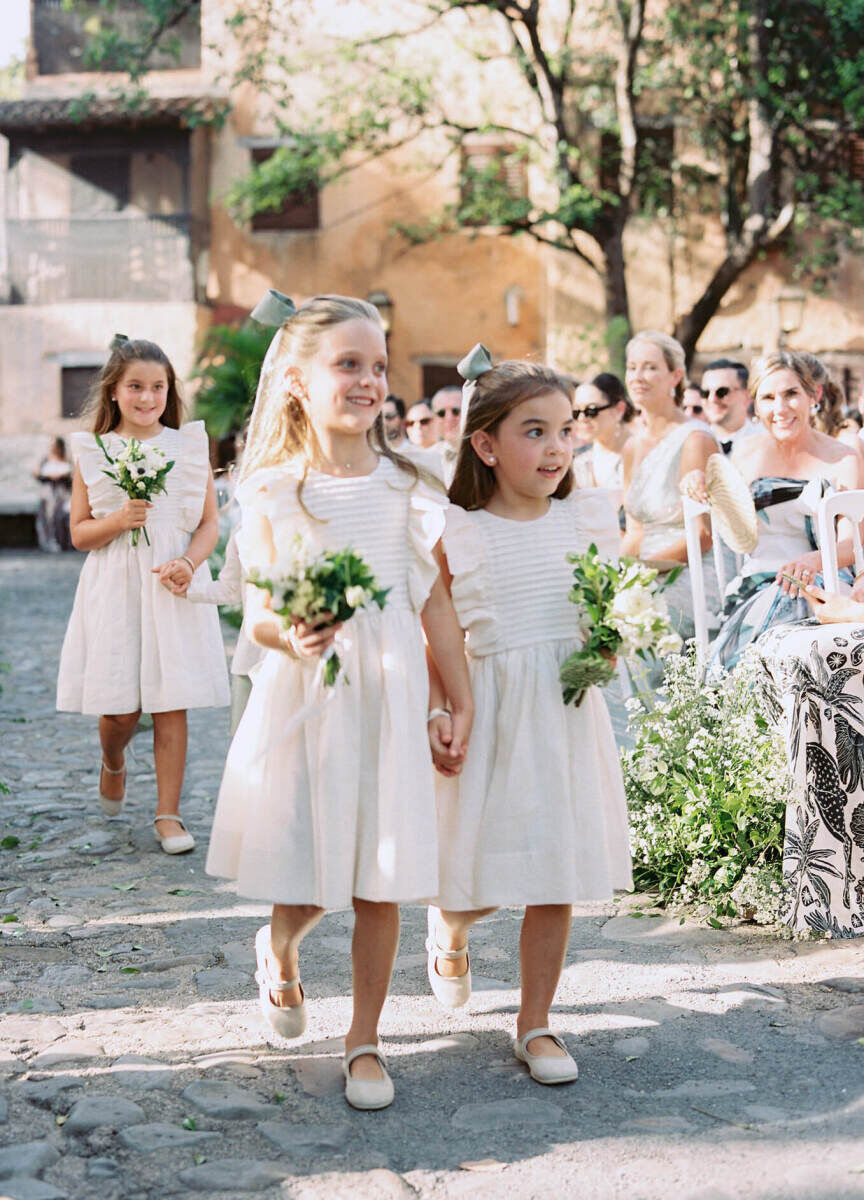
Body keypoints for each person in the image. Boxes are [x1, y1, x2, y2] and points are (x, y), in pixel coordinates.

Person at [206, 292, 472, 1112]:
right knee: (309, 885)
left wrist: (452, 699)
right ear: (296, 381)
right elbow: (256, 612)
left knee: (382, 878)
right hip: (312, 693)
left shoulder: (409, 482)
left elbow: (433, 603)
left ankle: (365, 1039)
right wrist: (294, 633)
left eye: (378, 366)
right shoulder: (276, 489)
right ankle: (278, 950)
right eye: (347, 364)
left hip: (392, 692)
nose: (368, 382)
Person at [424, 348, 632, 1087]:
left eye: (565, 430)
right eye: (534, 432)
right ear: (485, 444)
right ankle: (449, 929)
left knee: (554, 871)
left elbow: (607, 609)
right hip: (492, 706)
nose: (555, 448)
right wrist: (441, 708)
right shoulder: (460, 529)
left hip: (566, 710)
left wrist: (608, 643)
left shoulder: (586, 518)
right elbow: (436, 626)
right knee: (474, 877)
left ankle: (536, 1022)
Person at [56, 335, 230, 854]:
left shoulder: (188, 447)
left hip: (168, 584)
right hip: (113, 588)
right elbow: (79, 534)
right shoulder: (92, 450)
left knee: (170, 700)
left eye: (158, 387)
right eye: (136, 386)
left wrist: (188, 562)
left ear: (169, 391)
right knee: (121, 710)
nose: (148, 397)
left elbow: (208, 524)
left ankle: (168, 814)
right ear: (114, 391)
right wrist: (117, 519)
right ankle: (113, 759)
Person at [703, 351, 863, 669]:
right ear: (754, 405)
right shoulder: (744, 455)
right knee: (777, 605)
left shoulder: (844, 457)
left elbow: (851, 544)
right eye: (768, 397)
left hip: (825, 579)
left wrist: (812, 562)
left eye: (791, 394)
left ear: (812, 396)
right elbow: (725, 525)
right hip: (760, 582)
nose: (780, 408)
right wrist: (698, 481)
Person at [622, 330, 718, 637]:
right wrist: (616, 576)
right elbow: (635, 531)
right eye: (632, 366)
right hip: (643, 574)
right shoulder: (631, 447)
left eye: (650, 367)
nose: (638, 376)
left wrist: (645, 570)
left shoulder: (695, 439)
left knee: (635, 635)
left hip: (692, 572)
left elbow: (703, 535)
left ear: (675, 376)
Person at [186, 530, 261, 735]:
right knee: (243, 749)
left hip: (300, 658)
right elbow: (231, 588)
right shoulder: (244, 527)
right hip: (251, 657)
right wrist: (188, 589)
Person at [571, 373, 634, 503]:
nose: (582, 419)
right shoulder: (577, 459)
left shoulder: (642, 453)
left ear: (619, 409)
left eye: (591, 410)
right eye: (576, 412)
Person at [700, 358, 760, 454]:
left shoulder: (764, 442)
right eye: (705, 393)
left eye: (722, 392)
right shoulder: (694, 443)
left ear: (747, 396)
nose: (712, 399)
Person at [34, 437, 73, 552]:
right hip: (48, 494)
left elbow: (71, 477)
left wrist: (62, 476)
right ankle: (49, 541)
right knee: (48, 516)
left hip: (62, 494)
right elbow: (36, 473)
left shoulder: (66, 460)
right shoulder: (45, 460)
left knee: (62, 516)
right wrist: (49, 477)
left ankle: (64, 542)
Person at [431, 385, 463, 485]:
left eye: (456, 411)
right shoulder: (428, 457)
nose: (449, 418)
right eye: (441, 413)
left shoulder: (484, 454)